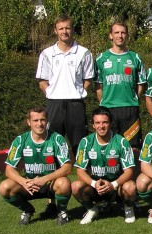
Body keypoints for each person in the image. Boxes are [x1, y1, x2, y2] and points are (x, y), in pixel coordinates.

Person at [0, 107, 72, 225]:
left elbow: (67, 167)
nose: (39, 124)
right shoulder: (20, 140)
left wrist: (43, 180)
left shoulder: (57, 139)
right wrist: (24, 182)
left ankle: (61, 211)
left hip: (50, 183)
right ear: (29, 122)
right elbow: (9, 169)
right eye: (35, 120)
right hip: (29, 184)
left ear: (47, 121)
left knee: (64, 183)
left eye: (42, 120)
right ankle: (27, 210)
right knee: (4, 187)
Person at [36, 14, 94, 154]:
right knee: (51, 144)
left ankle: (82, 174)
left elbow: (88, 79)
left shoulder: (84, 53)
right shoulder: (47, 53)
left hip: (76, 104)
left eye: (67, 28)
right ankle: (51, 175)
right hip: (54, 104)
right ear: (55, 31)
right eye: (60, 28)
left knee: (80, 145)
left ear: (72, 29)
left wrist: (78, 93)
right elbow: (42, 81)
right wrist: (51, 93)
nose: (64, 31)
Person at [71, 107, 137, 224]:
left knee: (131, 187)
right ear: (93, 125)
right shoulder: (85, 142)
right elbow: (80, 171)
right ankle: (92, 209)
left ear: (110, 123)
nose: (101, 126)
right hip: (95, 187)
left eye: (105, 122)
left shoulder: (121, 142)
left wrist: (113, 185)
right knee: (75, 186)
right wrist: (94, 183)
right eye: (97, 123)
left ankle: (128, 208)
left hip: (116, 186)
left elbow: (129, 171)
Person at [95, 20, 146, 149]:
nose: (120, 35)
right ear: (110, 35)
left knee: (133, 147)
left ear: (127, 35)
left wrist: (134, 98)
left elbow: (141, 84)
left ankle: (133, 170)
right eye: (116, 32)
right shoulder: (101, 58)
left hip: (130, 108)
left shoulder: (135, 58)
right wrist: (104, 102)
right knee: (110, 147)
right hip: (109, 108)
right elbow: (98, 86)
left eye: (123, 32)